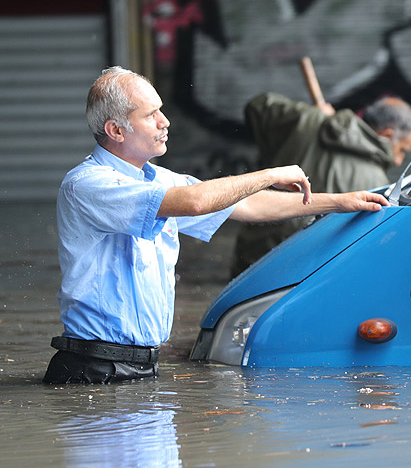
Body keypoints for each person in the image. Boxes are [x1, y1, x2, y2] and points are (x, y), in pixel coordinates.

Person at [45, 67, 390, 384]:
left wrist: (339, 202)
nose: (165, 122)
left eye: (161, 110)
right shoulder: (89, 184)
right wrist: (270, 173)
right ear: (116, 130)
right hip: (94, 369)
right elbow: (197, 201)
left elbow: (245, 204)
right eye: (151, 114)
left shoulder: (157, 179)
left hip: (137, 366)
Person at [231, 92, 411, 275]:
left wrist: (307, 114)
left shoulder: (306, 121)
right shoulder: (377, 185)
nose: (398, 160)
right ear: (387, 136)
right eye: (402, 150)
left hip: (251, 260)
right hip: (301, 273)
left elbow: (256, 106)